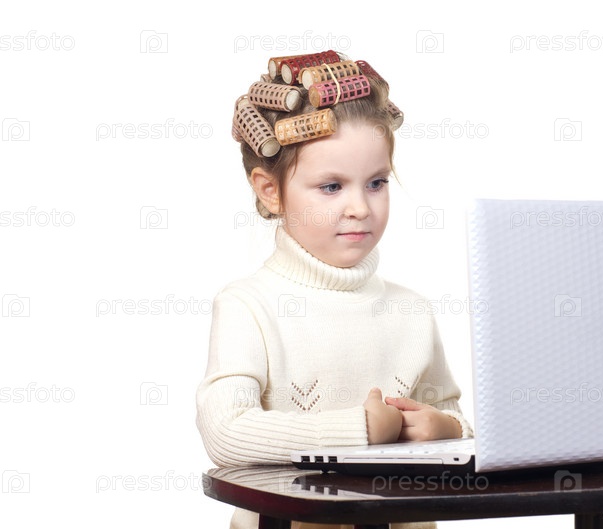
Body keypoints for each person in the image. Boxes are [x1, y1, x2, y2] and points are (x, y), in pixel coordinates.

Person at [195, 51, 473, 529]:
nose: (360, 207)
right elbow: (225, 432)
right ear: (270, 190)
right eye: (331, 187)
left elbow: (458, 422)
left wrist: (444, 428)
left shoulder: (411, 310)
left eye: (376, 183)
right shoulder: (249, 306)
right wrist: (358, 431)